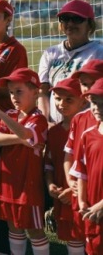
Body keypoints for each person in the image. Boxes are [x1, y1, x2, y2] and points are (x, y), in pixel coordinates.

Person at [0, 68, 49, 254]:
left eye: (19, 91)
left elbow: (26, 133)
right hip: (8, 183)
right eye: (11, 92)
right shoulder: (13, 115)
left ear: (35, 92)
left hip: (28, 185)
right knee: (14, 227)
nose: (14, 96)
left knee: (35, 230)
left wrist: (1, 115)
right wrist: (20, 139)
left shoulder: (38, 118)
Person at [38, 0, 103, 124]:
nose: (70, 23)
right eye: (65, 18)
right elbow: (43, 92)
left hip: (87, 125)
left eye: (77, 19)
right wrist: (45, 122)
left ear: (90, 24)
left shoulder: (99, 53)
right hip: (55, 127)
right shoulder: (50, 53)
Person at [62, 59, 103, 245]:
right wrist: (72, 182)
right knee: (85, 237)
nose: (86, 89)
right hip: (85, 192)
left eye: (91, 83)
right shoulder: (79, 120)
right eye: (83, 84)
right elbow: (71, 155)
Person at [44, 78, 86, 254]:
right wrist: (50, 184)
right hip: (63, 196)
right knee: (73, 238)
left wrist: (74, 189)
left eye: (69, 99)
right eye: (58, 98)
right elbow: (49, 163)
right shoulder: (53, 132)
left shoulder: (89, 130)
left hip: (85, 195)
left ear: (83, 100)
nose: (62, 104)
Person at [70, 78, 103, 255]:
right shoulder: (88, 135)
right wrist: (82, 202)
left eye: (102, 104)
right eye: (94, 103)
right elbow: (81, 173)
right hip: (92, 210)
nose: (97, 109)